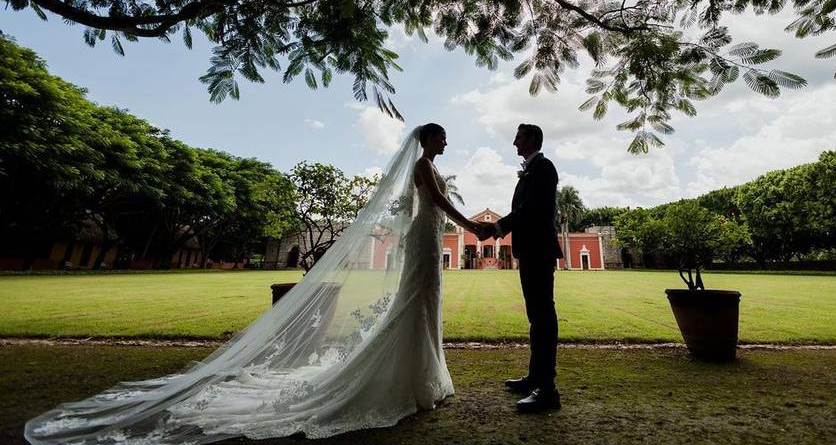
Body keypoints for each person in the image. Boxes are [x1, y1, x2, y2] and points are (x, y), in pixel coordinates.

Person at [25, 124, 481, 445]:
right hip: (425, 240)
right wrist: (475, 228)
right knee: (414, 304)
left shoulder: (431, 167)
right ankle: (408, 381)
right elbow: (437, 202)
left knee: (424, 304)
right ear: (427, 139)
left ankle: (425, 378)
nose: (445, 141)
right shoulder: (424, 168)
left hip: (425, 242)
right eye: (441, 135)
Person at [475, 123, 563, 413]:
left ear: (533, 139)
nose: (514, 143)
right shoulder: (531, 169)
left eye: (518, 137)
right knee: (536, 316)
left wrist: (497, 227)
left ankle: (547, 389)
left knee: (542, 316)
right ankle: (535, 378)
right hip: (530, 252)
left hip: (539, 251)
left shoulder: (544, 168)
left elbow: (530, 210)